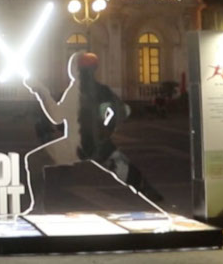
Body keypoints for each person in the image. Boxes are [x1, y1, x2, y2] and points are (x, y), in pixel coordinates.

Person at [23, 52, 163, 214]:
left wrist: (41, 91)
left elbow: (56, 117)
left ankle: (37, 207)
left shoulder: (76, 89)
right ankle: (161, 203)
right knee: (128, 174)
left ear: (75, 69)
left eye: (71, 65)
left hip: (76, 145)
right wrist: (106, 127)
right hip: (100, 144)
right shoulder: (102, 89)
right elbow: (125, 110)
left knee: (33, 160)